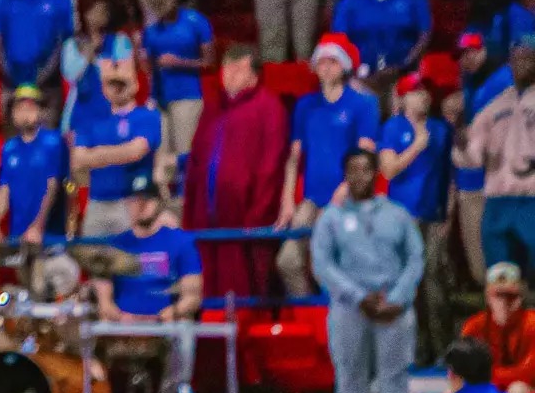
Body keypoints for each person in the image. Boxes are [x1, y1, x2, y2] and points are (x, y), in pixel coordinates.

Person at [312, 149, 425, 393]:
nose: (358, 176)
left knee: (395, 376)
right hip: (349, 307)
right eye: (352, 170)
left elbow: (415, 258)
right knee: (350, 375)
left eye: (365, 169)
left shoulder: (397, 215)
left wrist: (398, 298)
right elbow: (322, 263)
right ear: (345, 175)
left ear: (375, 174)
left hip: (393, 306)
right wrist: (358, 296)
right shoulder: (331, 218)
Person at [276, 35, 381, 296]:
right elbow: (294, 156)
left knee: (331, 265)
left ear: (344, 66)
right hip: (312, 199)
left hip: (347, 199)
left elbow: (366, 154)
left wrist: (345, 191)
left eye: (332, 62)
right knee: (287, 260)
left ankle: (338, 324)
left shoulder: (363, 103)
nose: (326, 67)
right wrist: (288, 199)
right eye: (321, 62)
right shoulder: (305, 105)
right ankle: (310, 316)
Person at [184, 45, 289, 296]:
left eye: (237, 68)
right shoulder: (212, 108)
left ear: (254, 74)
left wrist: (258, 215)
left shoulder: (269, 107)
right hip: (205, 217)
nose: (229, 74)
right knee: (208, 287)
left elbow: (271, 165)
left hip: (245, 220)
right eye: (226, 68)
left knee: (243, 288)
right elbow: (196, 160)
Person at [379, 73, 455, 360]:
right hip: (403, 218)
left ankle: (444, 349)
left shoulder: (441, 129)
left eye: (424, 91)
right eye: (415, 91)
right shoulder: (393, 127)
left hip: (433, 216)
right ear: (403, 98)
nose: (421, 96)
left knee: (434, 280)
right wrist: (417, 146)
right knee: (409, 282)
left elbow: (449, 177)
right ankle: (416, 349)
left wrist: (449, 213)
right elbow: (388, 169)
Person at [462, 37, 535, 272]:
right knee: (500, 275)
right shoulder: (496, 105)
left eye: (527, 58)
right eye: (515, 58)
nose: (520, 64)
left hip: (531, 199)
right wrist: (463, 145)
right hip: (498, 201)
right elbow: (472, 156)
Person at [70, 50, 161, 236]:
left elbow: (137, 150)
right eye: (112, 84)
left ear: (135, 85)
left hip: (131, 202)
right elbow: (78, 159)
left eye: (122, 83)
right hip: (96, 203)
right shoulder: (92, 121)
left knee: (130, 261)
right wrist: (122, 152)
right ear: (104, 88)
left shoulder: (147, 116)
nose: (117, 88)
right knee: (93, 259)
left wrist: (95, 154)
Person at [97, 175, 204, 321]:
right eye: (135, 200)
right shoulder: (115, 244)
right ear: (127, 203)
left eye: (147, 199)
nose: (141, 205)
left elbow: (193, 295)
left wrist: (171, 313)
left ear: (158, 202)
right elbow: (104, 298)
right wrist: (114, 312)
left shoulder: (181, 241)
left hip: (165, 328)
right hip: (122, 329)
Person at [141, 0, 214, 188]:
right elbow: (148, 68)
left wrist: (180, 62)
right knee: (161, 152)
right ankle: (164, 199)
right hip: (159, 98)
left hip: (187, 96)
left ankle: (188, 195)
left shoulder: (196, 21)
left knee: (186, 151)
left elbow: (209, 62)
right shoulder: (152, 30)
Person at [333, 0, 432, 93]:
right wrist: (356, 71)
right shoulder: (350, 1)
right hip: (360, 75)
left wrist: (403, 66)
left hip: (403, 73)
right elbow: (339, 40)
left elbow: (424, 36)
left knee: (409, 95)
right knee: (358, 94)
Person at [0, 84, 66, 247]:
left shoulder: (53, 143)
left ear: (40, 111)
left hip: (48, 235)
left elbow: (52, 186)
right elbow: (4, 190)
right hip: (18, 235)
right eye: (20, 108)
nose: (25, 114)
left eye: (30, 108)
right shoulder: (9, 148)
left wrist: (37, 226)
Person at [462, 265, 535, 393]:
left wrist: (489, 375)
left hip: (526, 389)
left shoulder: (532, 324)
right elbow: (465, 367)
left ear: (521, 297)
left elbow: (528, 373)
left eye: (511, 296)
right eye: (498, 295)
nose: (504, 302)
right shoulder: (474, 326)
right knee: (454, 391)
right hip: (487, 386)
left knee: (516, 390)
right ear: (488, 296)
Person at [59, 1, 116, 133]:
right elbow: (71, 74)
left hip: (110, 111)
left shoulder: (118, 42)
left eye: (103, 10)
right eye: (93, 9)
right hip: (78, 113)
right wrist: (89, 52)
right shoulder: (71, 45)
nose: (98, 14)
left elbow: (121, 75)